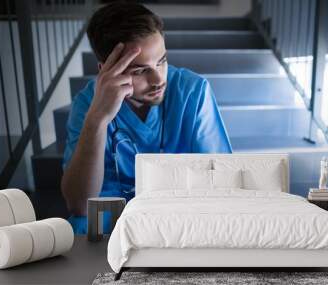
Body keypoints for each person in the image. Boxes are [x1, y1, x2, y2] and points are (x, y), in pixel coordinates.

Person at [61, 1, 232, 233]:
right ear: (106, 69)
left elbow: (220, 182)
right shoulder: (87, 104)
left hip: (177, 211)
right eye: (140, 71)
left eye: (161, 61)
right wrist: (97, 121)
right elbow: (80, 205)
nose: (158, 79)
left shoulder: (192, 91)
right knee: (82, 226)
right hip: (115, 217)